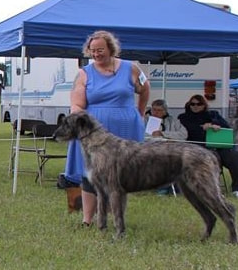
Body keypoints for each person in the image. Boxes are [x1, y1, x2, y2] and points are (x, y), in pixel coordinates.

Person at [60, 30, 150, 227]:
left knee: (119, 175)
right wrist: (78, 119)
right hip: (92, 130)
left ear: (111, 49)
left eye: (100, 50)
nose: (96, 54)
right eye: (92, 51)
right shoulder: (84, 73)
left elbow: (145, 89)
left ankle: (113, 217)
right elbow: (76, 103)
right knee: (90, 172)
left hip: (126, 128)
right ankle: (87, 220)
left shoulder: (131, 69)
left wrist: (139, 113)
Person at [178, 94, 238, 198]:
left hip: (220, 144)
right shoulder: (184, 117)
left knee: (235, 156)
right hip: (200, 146)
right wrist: (203, 128)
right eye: (192, 104)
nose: (195, 106)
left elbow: (227, 127)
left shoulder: (213, 114)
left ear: (204, 105)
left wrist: (215, 124)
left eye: (199, 104)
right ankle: (214, 190)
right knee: (211, 158)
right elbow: (189, 131)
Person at [143, 99, 187, 195]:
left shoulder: (174, 121)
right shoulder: (144, 120)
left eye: (159, 110)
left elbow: (183, 135)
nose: (156, 112)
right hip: (151, 149)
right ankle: (162, 189)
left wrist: (164, 134)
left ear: (165, 111)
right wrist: (161, 140)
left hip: (172, 149)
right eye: (154, 110)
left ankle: (176, 188)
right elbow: (144, 137)